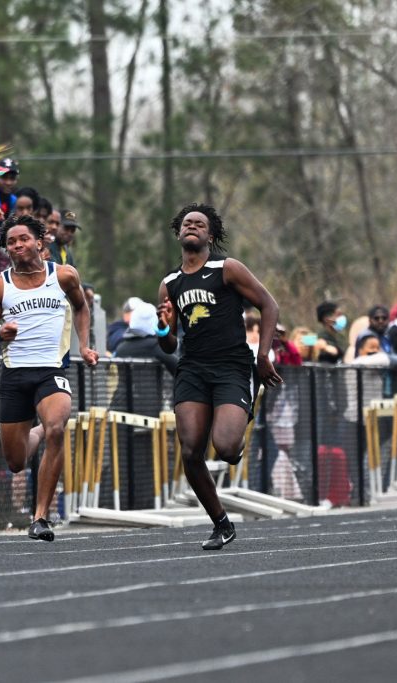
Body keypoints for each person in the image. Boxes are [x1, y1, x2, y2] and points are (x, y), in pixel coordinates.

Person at [156, 203, 282, 550]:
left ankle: (236, 426)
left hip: (231, 365)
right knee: (190, 450)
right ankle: (221, 523)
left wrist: (263, 355)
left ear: (210, 235)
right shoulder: (169, 284)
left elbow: (269, 305)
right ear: (178, 233)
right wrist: (162, 326)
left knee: (225, 447)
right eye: (187, 223)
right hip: (193, 367)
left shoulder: (227, 268)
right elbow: (168, 344)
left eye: (200, 224)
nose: (192, 226)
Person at [0, 214, 99, 542]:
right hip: (15, 375)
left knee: (57, 429)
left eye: (24, 239)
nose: (17, 245)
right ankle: (38, 429)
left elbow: (81, 307)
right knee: (16, 461)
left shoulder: (63, 276)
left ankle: (40, 517)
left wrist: (84, 346)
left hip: (51, 370)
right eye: (11, 242)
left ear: (40, 241)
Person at [114, 301, 178, 375]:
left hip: (126, 383)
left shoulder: (120, 348)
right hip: (153, 383)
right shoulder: (154, 346)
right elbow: (179, 368)